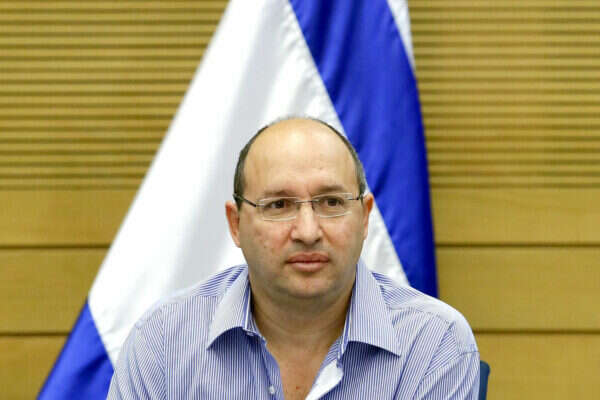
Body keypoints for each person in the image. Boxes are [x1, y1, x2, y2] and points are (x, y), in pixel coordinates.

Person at [107, 117, 480, 399]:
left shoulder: (432, 341)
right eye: (279, 205)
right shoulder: (164, 340)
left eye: (331, 202)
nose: (307, 231)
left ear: (365, 218)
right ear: (236, 224)